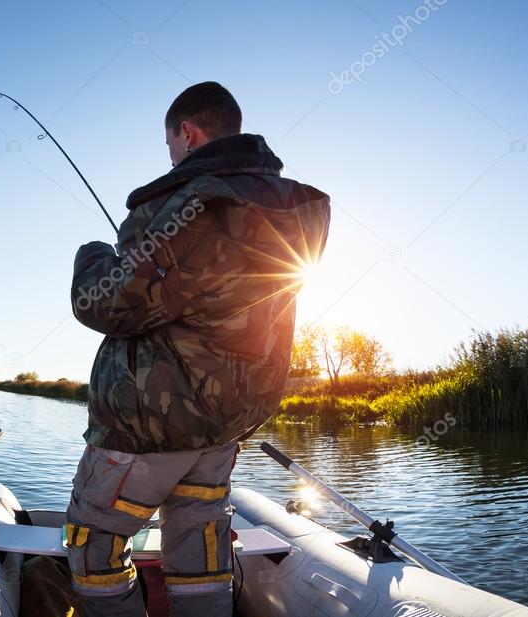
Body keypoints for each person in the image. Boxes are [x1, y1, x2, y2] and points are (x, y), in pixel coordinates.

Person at [65, 81, 331, 617]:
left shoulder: (190, 201)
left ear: (188, 132)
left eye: (170, 144)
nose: (170, 155)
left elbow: (105, 304)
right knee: (199, 551)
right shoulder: (301, 208)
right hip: (226, 425)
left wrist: (91, 255)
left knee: (93, 552)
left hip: (149, 425)